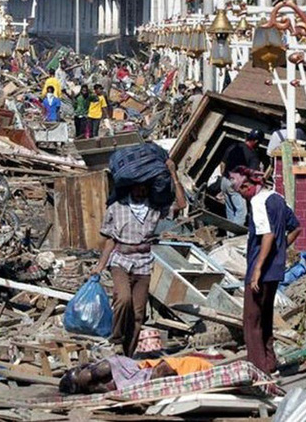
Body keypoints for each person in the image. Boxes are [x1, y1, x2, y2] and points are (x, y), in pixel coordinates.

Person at [92, 160, 187, 357]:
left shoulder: (154, 208)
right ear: (131, 186)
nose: (141, 190)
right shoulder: (116, 207)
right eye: (138, 186)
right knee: (123, 299)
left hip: (144, 263)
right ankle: (117, 339)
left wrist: (173, 173)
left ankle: (127, 354)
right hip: (121, 259)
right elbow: (110, 239)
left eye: (145, 186)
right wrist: (100, 265)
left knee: (138, 314)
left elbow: (181, 204)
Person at [239, 166, 301, 375]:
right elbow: (296, 227)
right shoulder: (278, 199)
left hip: (261, 269)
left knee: (251, 320)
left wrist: (257, 269)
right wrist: (280, 249)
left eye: (242, 190)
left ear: (249, 186)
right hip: (275, 269)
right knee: (265, 317)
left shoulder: (258, 202)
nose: (242, 195)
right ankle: (269, 362)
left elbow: (267, 235)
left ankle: (257, 368)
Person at [59, 355, 213, 394]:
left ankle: (84, 382)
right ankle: (82, 382)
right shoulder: (195, 365)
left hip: (144, 374)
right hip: (143, 372)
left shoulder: (201, 368)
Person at [220, 129, 264, 226]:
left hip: (225, 180)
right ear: (256, 141)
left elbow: (222, 164)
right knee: (241, 211)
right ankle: (234, 236)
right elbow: (252, 176)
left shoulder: (234, 146)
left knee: (230, 209)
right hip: (237, 185)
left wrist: (225, 177)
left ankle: (229, 234)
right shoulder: (253, 155)